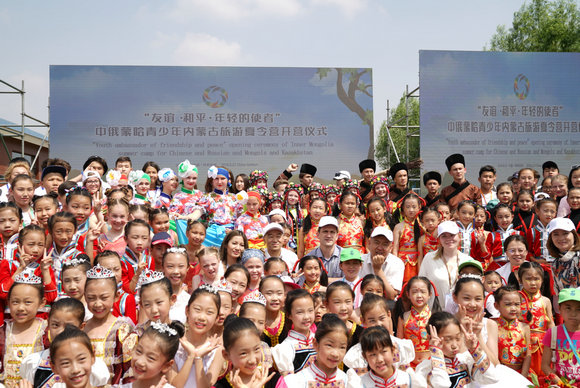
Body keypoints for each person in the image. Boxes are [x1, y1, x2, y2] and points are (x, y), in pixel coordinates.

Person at [415, 311, 498, 387]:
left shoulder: (465, 361)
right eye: (447, 340)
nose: (454, 345)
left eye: (458, 338)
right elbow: (442, 385)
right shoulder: (426, 368)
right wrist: (436, 352)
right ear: (431, 338)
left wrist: (475, 349)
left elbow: (492, 378)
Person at [281, 314, 349, 387]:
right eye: (329, 345)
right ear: (316, 344)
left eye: (342, 347)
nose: (335, 354)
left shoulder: (347, 381)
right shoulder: (297, 381)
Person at [214, 317, 280, 388]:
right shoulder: (220, 386)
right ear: (226, 355)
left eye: (256, 349)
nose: (252, 360)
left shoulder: (276, 382)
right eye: (243, 353)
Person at [419, 221, 470, 309]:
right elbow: (421, 284)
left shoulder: (468, 260)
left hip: (461, 313)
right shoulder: (429, 258)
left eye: (452, 235)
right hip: (435, 312)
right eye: (444, 236)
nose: (448, 239)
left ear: (459, 237)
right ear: (439, 239)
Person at [271, 289, 317, 375]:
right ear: (289, 315)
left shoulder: (320, 339)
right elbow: (289, 382)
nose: (306, 317)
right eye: (300, 312)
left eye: (310, 310)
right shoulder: (286, 347)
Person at [541, 287, 580, 385]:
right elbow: (545, 365)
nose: (573, 313)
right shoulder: (552, 333)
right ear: (559, 309)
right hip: (560, 384)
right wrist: (561, 383)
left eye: (579, 309)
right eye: (568, 308)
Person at [396, 276, 433, 367]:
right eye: (415, 292)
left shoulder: (433, 316)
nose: (419, 295)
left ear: (430, 294)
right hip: (409, 364)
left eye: (423, 292)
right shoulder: (403, 317)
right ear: (408, 294)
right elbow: (399, 343)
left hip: (430, 363)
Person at [494, 286, 531, 376]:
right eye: (508, 304)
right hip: (501, 374)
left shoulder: (525, 327)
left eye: (517, 304)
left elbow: (528, 355)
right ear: (497, 306)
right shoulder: (493, 326)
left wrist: (523, 376)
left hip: (522, 374)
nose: (513, 308)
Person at [359, 226, 405, 300]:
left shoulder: (397, 263)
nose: (380, 248)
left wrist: (378, 270)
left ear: (391, 248)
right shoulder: (360, 260)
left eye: (385, 244)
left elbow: (391, 296)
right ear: (369, 243)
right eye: (376, 242)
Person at [393, 193, 424, 282]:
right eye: (408, 207)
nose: (411, 210)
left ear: (419, 207)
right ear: (403, 208)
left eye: (414, 207)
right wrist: (395, 264)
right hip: (403, 262)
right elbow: (395, 248)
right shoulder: (398, 227)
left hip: (419, 261)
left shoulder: (423, 226)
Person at [547, 217, 580, 293]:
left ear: (574, 235)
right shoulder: (555, 264)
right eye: (556, 234)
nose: (561, 238)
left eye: (565, 233)